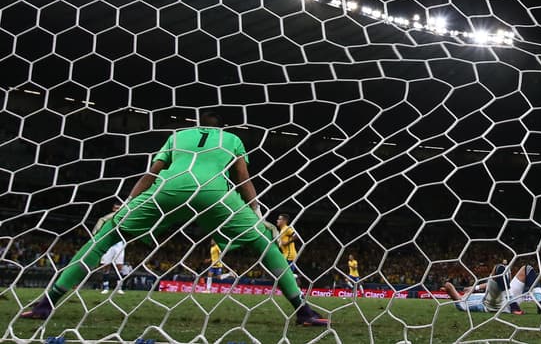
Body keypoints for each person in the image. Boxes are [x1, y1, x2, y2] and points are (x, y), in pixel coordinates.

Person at [18, 110, 327, 326]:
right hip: (213, 194)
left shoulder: (178, 135)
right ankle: (303, 311)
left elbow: (150, 174)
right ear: (223, 126)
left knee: (107, 235)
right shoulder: (231, 139)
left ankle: (46, 303)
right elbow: (244, 179)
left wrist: (127, 204)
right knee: (265, 244)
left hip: (169, 189)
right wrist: (257, 213)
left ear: (195, 125)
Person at [442, 260, 541, 314]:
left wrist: (475, 288)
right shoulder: (462, 304)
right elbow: (449, 287)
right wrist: (449, 288)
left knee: (527, 269)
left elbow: (490, 285)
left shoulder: (470, 294)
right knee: (499, 269)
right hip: (492, 304)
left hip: (505, 296)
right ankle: (513, 305)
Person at [90, 203, 125, 293]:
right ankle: (106, 287)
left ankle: (119, 288)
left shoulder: (125, 217)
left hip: (119, 244)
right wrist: (95, 233)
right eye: (116, 208)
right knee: (106, 266)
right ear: (113, 209)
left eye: (119, 208)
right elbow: (100, 220)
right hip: (108, 244)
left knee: (119, 267)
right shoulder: (108, 217)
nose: (117, 209)